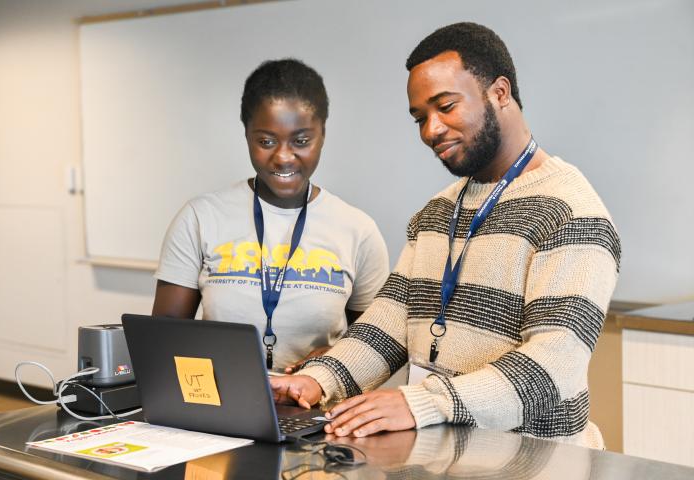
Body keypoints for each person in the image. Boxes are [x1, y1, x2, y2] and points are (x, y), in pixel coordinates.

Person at [270, 23, 621, 449]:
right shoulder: (436, 213)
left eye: (446, 106)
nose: (431, 130)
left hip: (537, 463)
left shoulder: (571, 211)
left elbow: (554, 365)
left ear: (500, 93)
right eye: (420, 117)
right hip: (444, 457)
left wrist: (424, 404)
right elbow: (387, 325)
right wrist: (317, 379)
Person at [152, 59, 389, 372]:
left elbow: (374, 345)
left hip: (318, 409)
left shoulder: (357, 229)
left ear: (322, 135)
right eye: (266, 141)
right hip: (220, 405)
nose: (283, 157)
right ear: (247, 135)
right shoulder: (200, 217)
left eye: (301, 141)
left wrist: (332, 362)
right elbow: (165, 336)